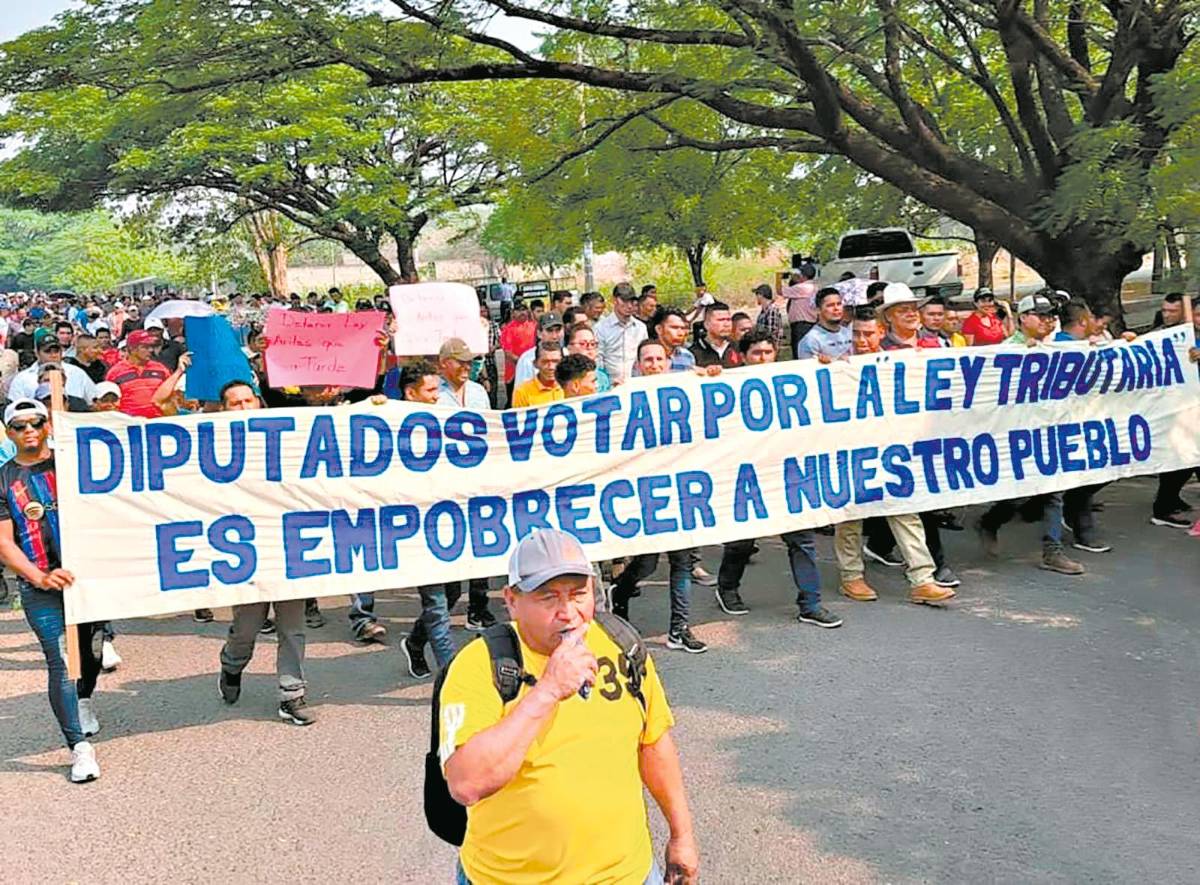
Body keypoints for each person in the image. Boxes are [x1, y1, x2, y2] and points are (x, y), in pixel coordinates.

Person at [438, 529, 698, 885]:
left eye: (579, 595)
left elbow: (653, 743)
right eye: (548, 598)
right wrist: (546, 691)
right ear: (512, 600)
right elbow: (465, 784)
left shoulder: (621, 644)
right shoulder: (480, 664)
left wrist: (681, 835)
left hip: (628, 875)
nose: (568, 613)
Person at [0, 399, 103, 782]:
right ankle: (79, 747)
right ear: (9, 433)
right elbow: (5, 543)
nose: (29, 430)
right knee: (60, 661)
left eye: (36, 423)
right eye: (20, 425)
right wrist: (40, 577)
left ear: (46, 426)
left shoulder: (71, 463)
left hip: (89, 578)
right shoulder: (3, 479)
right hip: (39, 585)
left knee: (92, 652)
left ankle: (85, 698)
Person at [716, 331, 842, 627]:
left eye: (768, 353)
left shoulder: (792, 382)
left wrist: (827, 369)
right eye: (756, 354)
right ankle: (728, 587)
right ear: (743, 357)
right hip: (746, 476)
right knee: (742, 542)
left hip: (787, 473)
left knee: (802, 540)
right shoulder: (726, 386)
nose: (763, 359)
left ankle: (810, 603)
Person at [216, 380, 314, 725]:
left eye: (248, 401)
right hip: (244, 551)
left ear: (259, 403)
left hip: (287, 546)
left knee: (293, 627)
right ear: (222, 410)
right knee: (247, 626)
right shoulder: (209, 444)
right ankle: (231, 665)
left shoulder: (285, 439)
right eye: (234, 404)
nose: (243, 409)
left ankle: (292, 695)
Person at [855, 303, 961, 589]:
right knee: (859, 517)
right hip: (872, 444)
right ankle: (855, 572)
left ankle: (928, 570)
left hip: (913, 439)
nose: (911, 314)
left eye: (913, 308)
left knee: (916, 502)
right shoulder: (877, 352)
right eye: (903, 310)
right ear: (887, 319)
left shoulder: (932, 344)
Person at [612, 339, 708, 653]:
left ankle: (679, 629)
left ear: (669, 362)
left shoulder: (687, 392)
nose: (654, 365)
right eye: (647, 360)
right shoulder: (626, 396)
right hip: (647, 493)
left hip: (682, 489)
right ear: (638, 365)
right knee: (648, 562)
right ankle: (621, 595)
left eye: (659, 359)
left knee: (682, 562)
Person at [105, 329, 189, 419]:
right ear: (132, 349)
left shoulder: (161, 369)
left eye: (151, 346)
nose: (150, 350)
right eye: (145, 347)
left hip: (157, 423)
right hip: (129, 425)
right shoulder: (114, 372)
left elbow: (171, 395)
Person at [8, 330, 97, 404]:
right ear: (37, 353)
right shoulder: (22, 378)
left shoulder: (77, 373)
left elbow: (93, 400)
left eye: (56, 351)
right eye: (47, 352)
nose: (53, 355)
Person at [595, 282, 648, 384]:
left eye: (632, 301)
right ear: (614, 301)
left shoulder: (641, 328)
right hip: (610, 385)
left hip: (637, 383)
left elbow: (644, 355)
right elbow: (598, 359)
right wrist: (605, 382)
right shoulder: (600, 328)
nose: (629, 306)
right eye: (624, 300)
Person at [795, 288, 852, 361]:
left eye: (839, 304)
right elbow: (808, 369)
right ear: (818, 310)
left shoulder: (849, 332)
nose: (836, 308)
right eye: (830, 305)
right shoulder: (811, 340)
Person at [513, 311, 565, 387]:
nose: (554, 336)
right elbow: (520, 390)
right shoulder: (527, 360)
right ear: (539, 333)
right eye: (549, 331)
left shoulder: (568, 354)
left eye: (558, 330)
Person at [438, 338, 491, 410]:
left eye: (469, 361)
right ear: (443, 363)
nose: (468, 367)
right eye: (461, 361)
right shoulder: (432, 393)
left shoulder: (479, 391)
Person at [499, 306, 536, 406]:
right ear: (513, 313)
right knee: (513, 401)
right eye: (519, 310)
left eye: (524, 310)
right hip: (513, 373)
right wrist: (523, 363)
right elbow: (508, 353)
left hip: (533, 370)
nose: (522, 312)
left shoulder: (534, 326)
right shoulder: (508, 330)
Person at [777, 264, 818, 356]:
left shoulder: (802, 288)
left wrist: (778, 277)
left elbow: (779, 291)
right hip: (811, 323)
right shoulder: (813, 287)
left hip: (801, 325)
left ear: (803, 276)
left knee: (799, 351)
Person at [689, 301, 743, 368]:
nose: (726, 324)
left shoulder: (740, 348)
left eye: (728, 320)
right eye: (721, 320)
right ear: (706, 324)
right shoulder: (692, 354)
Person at [511, 341, 565, 408]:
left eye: (555, 361)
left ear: (563, 363)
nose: (551, 367)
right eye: (545, 362)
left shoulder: (571, 387)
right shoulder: (522, 392)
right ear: (535, 364)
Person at [565, 323, 612, 392]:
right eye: (583, 344)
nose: (589, 347)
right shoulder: (563, 376)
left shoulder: (602, 376)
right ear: (569, 348)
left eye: (592, 344)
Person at [752, 283, 786, 351]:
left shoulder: (772, 310)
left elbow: (771, 332)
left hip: (769, 346)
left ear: (761, 295)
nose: (756, 297)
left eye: (757, 294)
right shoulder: (764, 311)